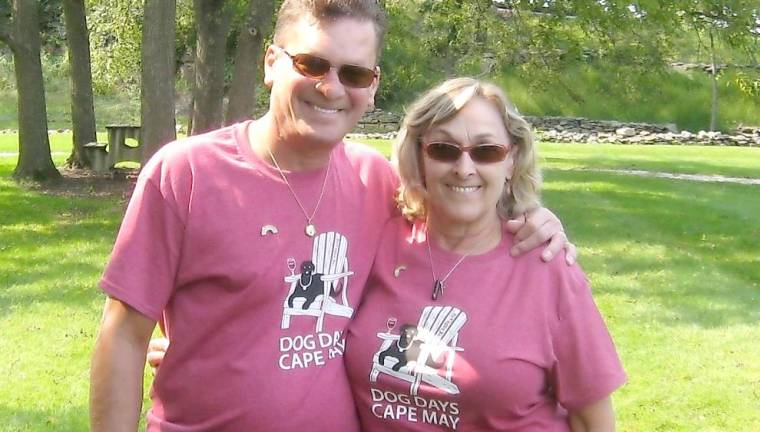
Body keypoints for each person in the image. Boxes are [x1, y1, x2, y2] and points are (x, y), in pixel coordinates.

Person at [89, 1, 574, 431]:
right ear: (271, 62)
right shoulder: (187, 173)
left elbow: (460, 230)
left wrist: (529, 217)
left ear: (374, 84)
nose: (330, 87)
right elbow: (125, 335)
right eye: (312, 63)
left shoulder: (378, 183)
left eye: (354, 74)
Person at [344, 78, 626, 431]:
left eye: (486, 151)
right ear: (419, 155)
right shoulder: (379, 240)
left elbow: (593, 421)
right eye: (444, 149)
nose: (464, 168)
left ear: (512, 161)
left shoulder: (546, 266)